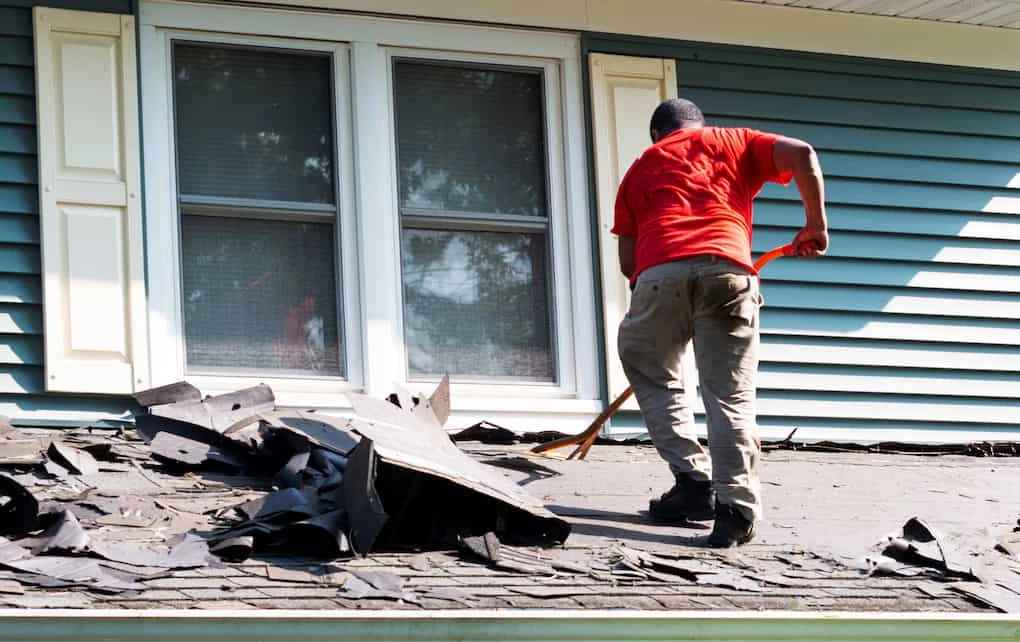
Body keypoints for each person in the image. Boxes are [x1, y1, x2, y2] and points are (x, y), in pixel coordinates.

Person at [613, 98, 828, 547]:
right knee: (728, 396)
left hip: (658, 277)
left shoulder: (640, 169)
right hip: (727, 272)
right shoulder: (735, 140)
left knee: (653, 369)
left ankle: (692, 483)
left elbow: (628, 262)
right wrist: (814, 225)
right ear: (697, 125)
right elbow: (803, 153)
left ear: (658, 134)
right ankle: (734, 510)